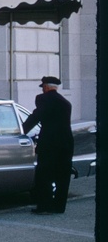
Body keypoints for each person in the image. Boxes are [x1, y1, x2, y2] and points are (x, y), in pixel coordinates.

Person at [22, 76, 74, 214]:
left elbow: (36, 116)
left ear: (45, 87)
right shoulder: (66, 103)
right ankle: (59, 207)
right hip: (66, 143)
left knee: (44, 175)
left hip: (50, 143)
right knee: (62, 176)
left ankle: (45, 206)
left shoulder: (43, 98)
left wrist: (22, 130)